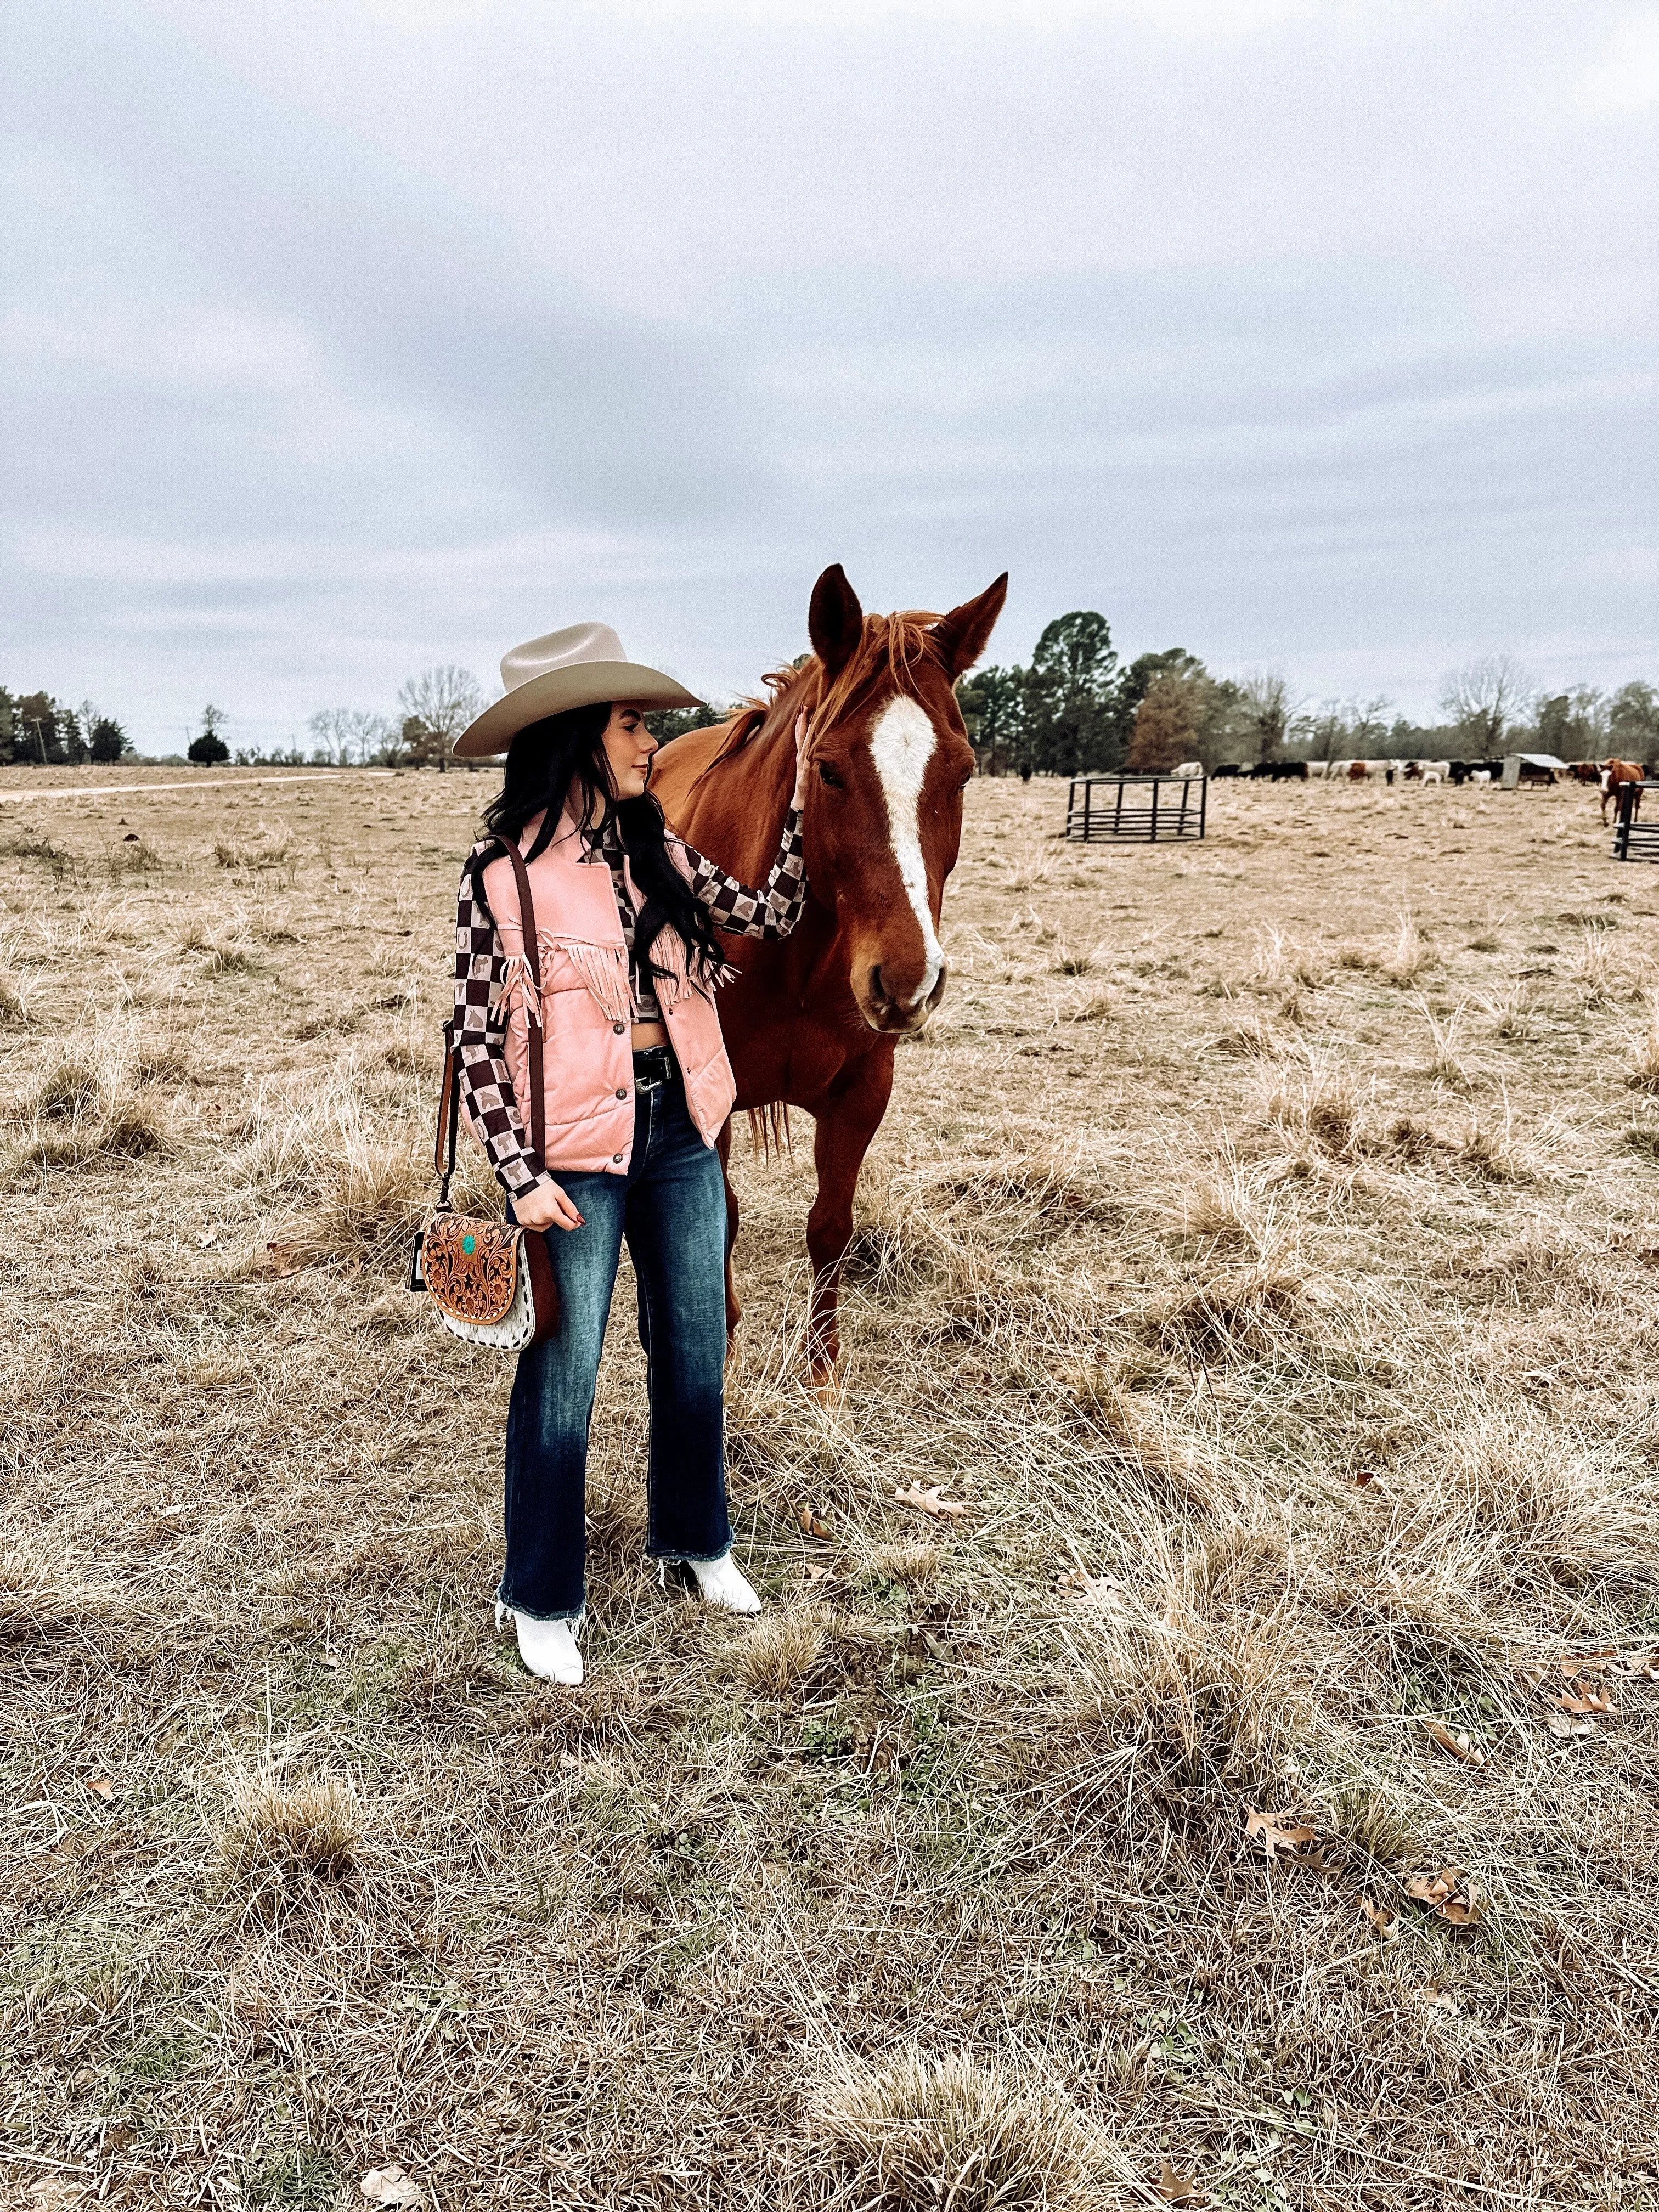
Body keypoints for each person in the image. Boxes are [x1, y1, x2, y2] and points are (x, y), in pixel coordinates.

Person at [449, 621, 809, 1686]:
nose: (654, 740)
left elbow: (768, 913)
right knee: (564, 1371)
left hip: (686, 1130)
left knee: (696, 1346)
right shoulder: (503, 877)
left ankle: (697, 1543)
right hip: (575, 1153)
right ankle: (544, 1596)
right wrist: (519, 1174)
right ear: (576, 737)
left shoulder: (658, 849)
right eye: (633, 722)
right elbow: (476, 1040)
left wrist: (804, 793)